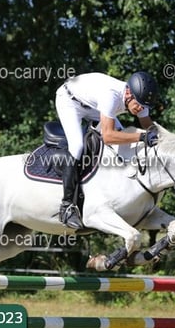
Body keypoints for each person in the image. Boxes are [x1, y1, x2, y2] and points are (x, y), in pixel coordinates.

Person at [55, 71, 160, 229]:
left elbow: (149, 127)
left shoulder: (139, 98)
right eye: (139, 105)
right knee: (77, 147)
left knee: (123, 139)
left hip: (93, 106)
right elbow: (108, 136)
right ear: (129, 93)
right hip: (69, 100)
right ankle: (67, 206)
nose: (141, 109)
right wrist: (142, 137)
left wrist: (163, 140)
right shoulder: (111, 95)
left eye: (144, 107)